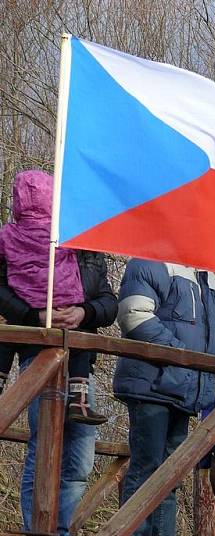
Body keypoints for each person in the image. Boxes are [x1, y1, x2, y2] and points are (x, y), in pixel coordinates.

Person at [0, 170, 118, 536]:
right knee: (43, 444)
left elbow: (109, 303)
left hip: (81, 358)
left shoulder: (82, 245)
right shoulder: (13, 242)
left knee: (80, 455)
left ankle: (61, 531)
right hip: (39, 354)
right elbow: (2, 291)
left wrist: (84, 312)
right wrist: (34, 315)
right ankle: (38, 535)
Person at [114, 260, 215, 536]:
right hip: (152, 382)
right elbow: (133, 314)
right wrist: (180, 355)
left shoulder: (208, 275)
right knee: (147, 467)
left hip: (184, 389)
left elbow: (212, 337)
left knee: (171, 477)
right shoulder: (151, 260)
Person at [0, 170, 107, 424]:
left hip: (31, 297)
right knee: (78, 335)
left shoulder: (7, 234)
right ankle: (79, 399)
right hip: (65, 299)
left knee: (6, 332)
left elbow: (107, 302)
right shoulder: (68, 234)